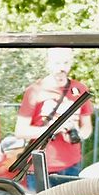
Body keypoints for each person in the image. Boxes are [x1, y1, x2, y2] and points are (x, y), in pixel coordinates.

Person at [14, 47, 94, 182]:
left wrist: (78, 134)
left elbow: (87, 127)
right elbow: (20, 131)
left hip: (71, 166)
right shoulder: (34, 91)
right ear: (48, 63)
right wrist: (52, 129)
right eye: (57, 63)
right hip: (40, 166)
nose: (61, 68)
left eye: (66, 63)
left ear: (71, 63)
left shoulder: (80, 89)